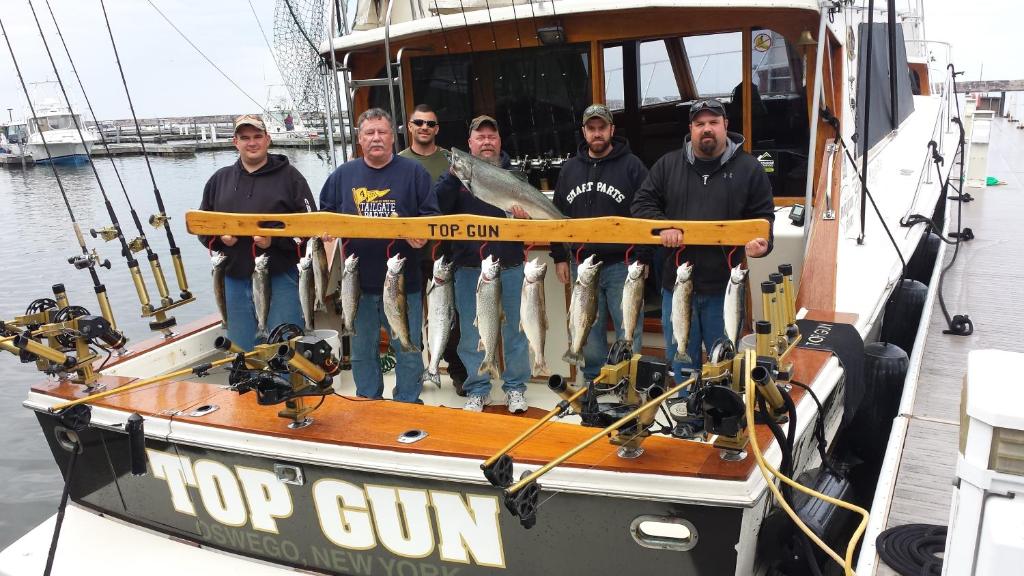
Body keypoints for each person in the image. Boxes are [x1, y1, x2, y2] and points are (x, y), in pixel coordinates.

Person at [631, 97, 774, 382]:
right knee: (681, 359)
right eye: (699, 124)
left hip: (725, 290)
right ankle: (688, 415)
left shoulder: (749, 169)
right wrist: (663, 228)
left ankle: (720, 416)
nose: (706, 129)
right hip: (676, 286)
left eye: (713, 123)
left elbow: (764, 219)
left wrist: (762, 246)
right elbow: (641, 204)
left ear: (725, 126)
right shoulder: (667, 165)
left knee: (724, 361)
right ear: (690, 129)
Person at [320, 108, 439, 403]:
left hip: (404, 284)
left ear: (392, 138)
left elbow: (432, 217)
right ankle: (368, 403)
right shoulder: (342, 176)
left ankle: (408, 403)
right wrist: (326, 232)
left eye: (382, 132)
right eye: (370, 133)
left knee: (407, 348)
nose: (376, 138)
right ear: (360, 139)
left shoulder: (414, 173)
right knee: (362, 351)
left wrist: (422, 234)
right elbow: (324, 215)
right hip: (356, 285)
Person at [432, 115, 531, 413]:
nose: (486, 141)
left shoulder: (515, 176)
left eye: (492, 136)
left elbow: (533, 223)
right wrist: (452, 175)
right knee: (472, 333)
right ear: (470, 144)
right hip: (468, 268)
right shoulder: (453, 177)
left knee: (515, 330)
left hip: (512, 265)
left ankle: (515, 388)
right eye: (480, 136)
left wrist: (523, 216)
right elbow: (437, 206)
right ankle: (478, 389)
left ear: (499, 141)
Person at [198, 114, 315, 351]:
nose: (252, 143)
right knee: (240, 350)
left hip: (281, 277)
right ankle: (247, 387)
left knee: (285, 349)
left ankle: (286, 386)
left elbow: (309, 228)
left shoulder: (291, 177)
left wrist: (275, 241)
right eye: (245, 137)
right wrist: (220, 240)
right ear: (235, 142)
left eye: (257, 136)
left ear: (268, 139)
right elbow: (202, 226)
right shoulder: (219, 180)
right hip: (232, 279)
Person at [551, 103, 650, 381]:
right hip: (582, 266)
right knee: (589, 330)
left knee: (629, 329)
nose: (597, 133)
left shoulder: (632, 166)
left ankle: (630, 382)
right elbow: (556, 215)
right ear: (584, 131)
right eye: (591, 128)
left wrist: (643, 257)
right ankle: (594, 381)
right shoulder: (570, 169)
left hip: (624, 265)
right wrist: (559, 255)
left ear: (611, 130)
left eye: (602, 128)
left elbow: (647, 211)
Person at [399, 104, 470, 394]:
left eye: (430, 123)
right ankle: (414, 373)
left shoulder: (451, 161)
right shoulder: (398, 162)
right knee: (410, 315)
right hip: (410, 252)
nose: (425, 127)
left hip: (445, 253)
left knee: (450, 318)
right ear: (410, 126)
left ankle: (457, 372)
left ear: (437, 129)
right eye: (419, 122)